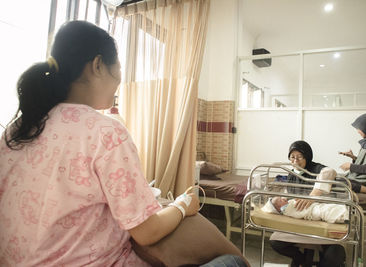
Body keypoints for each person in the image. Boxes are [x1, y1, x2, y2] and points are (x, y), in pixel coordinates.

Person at [0, 21, 247, 267]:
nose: (120, 78)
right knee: (232, 261)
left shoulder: (16, 131)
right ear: (98, 65)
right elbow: (147, 231)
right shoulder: (105, 131)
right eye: (118, 66)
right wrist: (183, 205)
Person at [269, 140, 345, 267]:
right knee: (276, 242)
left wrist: (312, 196)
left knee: (334, 256)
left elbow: (330, 172)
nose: (295, 161)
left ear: (307, 157)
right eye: (292, 157)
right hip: (301, 224)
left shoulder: (316, 168)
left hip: (321, 223)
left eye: (299, 157)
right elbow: (289, 197)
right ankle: (301, 259)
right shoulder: (292, 174)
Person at [264, 196, 348, 224]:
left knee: (326, 207)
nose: (283, 198)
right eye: (280, 200)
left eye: (281, 197)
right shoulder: (286, 210)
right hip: (311, 212)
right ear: (279, 209)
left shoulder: (289, 202)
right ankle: (343, 216)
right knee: (323, 211)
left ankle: (345, 212)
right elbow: (297, 211)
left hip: (313, 206)